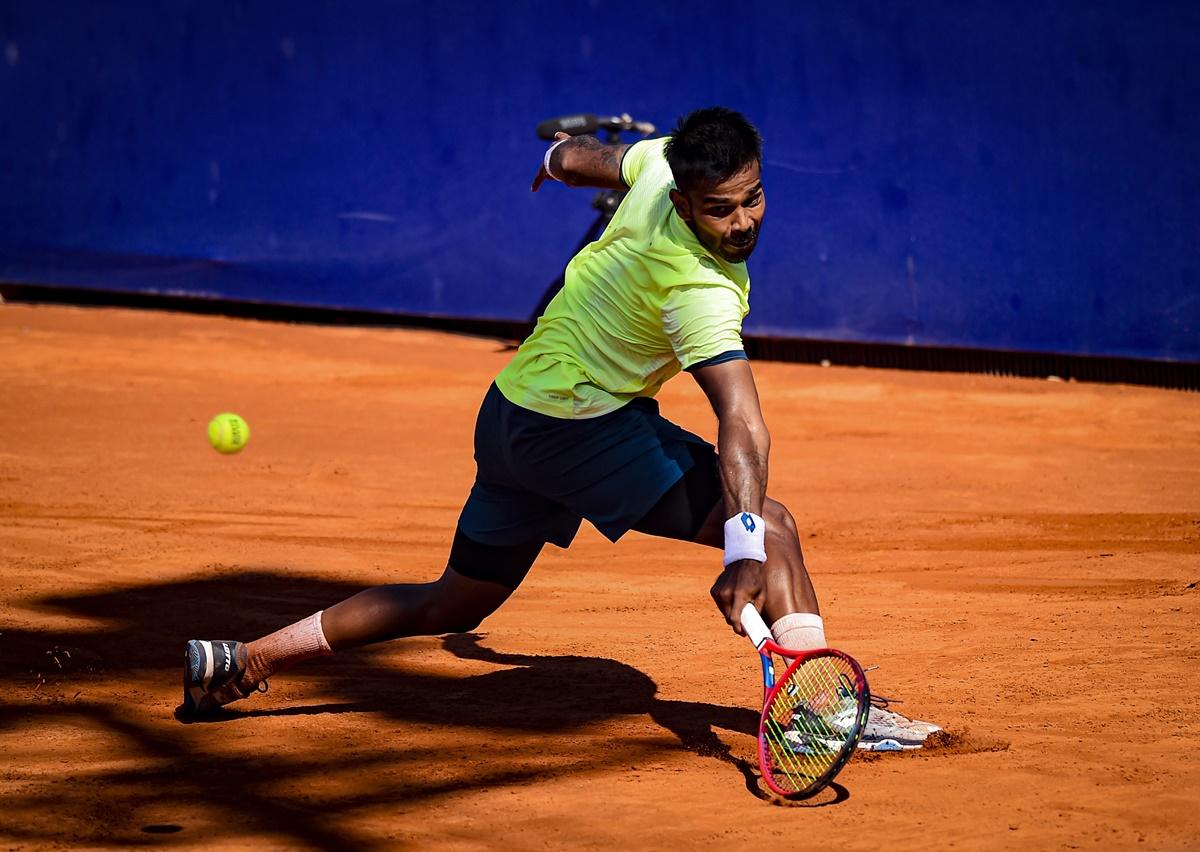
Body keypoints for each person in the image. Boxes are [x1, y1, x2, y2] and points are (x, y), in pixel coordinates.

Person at [179, 107, 834, 722]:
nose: (743, 222)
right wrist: (742, 546)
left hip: (511, 417)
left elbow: (586, 159)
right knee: (773, 528)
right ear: (683, 203)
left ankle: (246, 657)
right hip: (583, 432)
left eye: (753, 198)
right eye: (720, 211)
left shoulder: (663, 159)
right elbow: (741, 422)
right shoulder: (699, 292)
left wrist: (552, 162)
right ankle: (822, 716)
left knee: (452, 602)